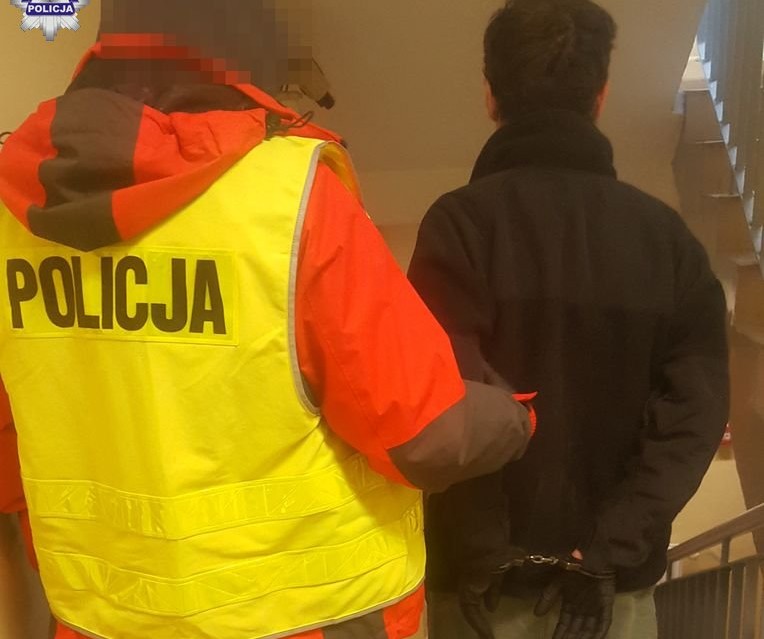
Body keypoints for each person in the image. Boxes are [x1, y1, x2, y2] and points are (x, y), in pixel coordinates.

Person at [0, 2, 536, 637]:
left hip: (102, 619)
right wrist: (516, 416)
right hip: (309, 617)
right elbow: (424, 436)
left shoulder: (11, 216)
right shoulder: (288, 197)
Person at [408, 1, 730, 638]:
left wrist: (481, 550)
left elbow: (443, 401)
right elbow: (694, 419)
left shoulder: (459, 227)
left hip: (478, 596)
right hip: (609, 601)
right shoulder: (667, 241)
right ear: (601, 95)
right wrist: (609, 548)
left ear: (490, 95)